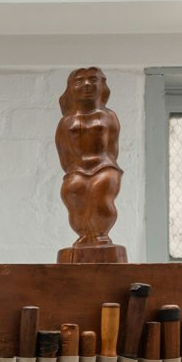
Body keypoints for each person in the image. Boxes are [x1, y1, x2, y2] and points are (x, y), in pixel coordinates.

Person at [56, 67, 122, 249]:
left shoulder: (109, 116)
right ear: (70, 89)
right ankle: (84, 233)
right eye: (79, 81)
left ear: (102, 86)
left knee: (100, 195)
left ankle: (100, 232)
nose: (86, 85)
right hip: (77, 169)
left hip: (104, 166)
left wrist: (105, 166)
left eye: (93, 80)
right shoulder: (66, 122)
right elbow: (63, 151)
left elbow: (113, 147)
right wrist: (73, 171)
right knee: (72, 192)